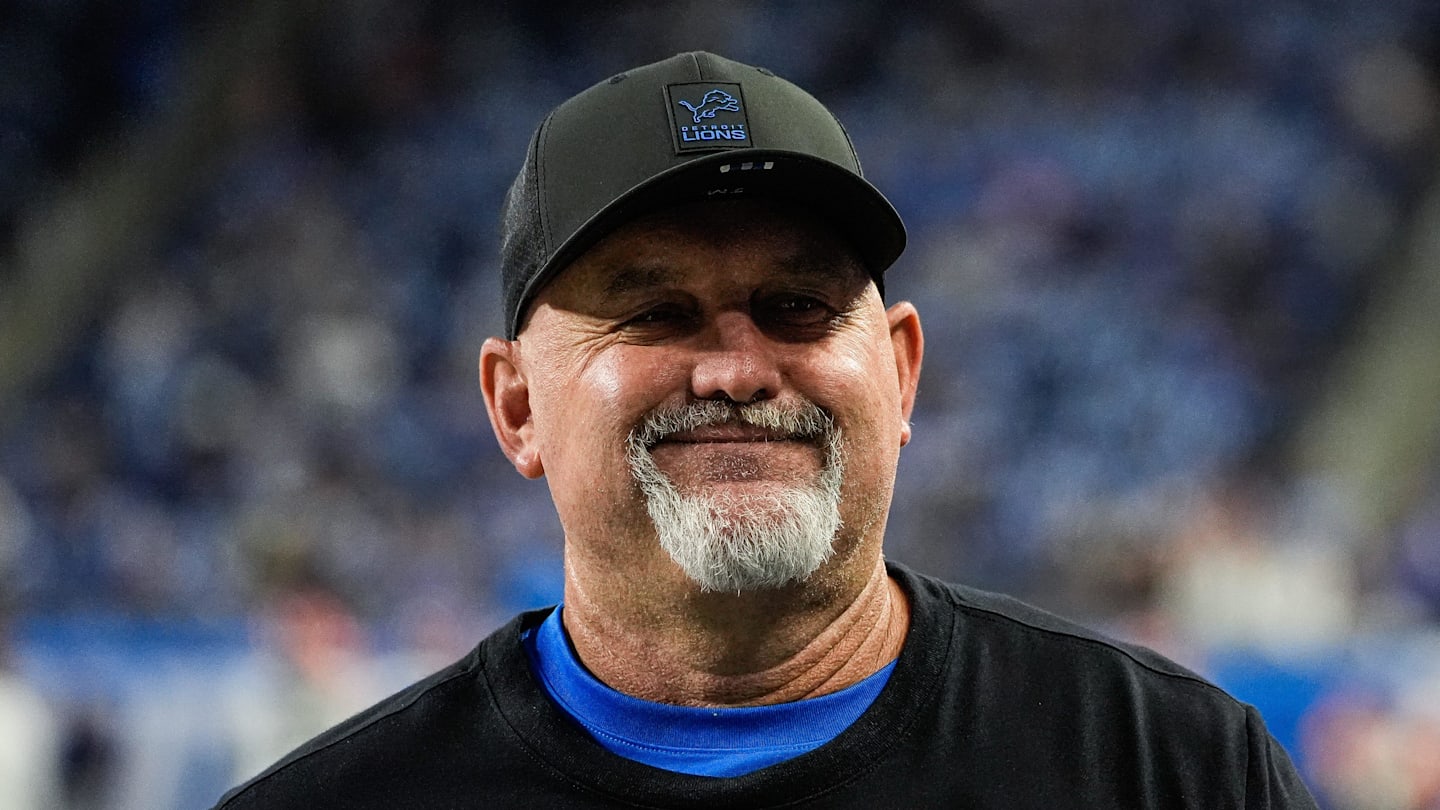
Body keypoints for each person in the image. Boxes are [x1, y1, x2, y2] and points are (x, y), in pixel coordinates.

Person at [213, 51, 1318, 808]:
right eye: (655, 312)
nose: (740, 369)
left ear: (900, 372)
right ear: (515, 406)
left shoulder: (1167, 770)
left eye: (798, 307)